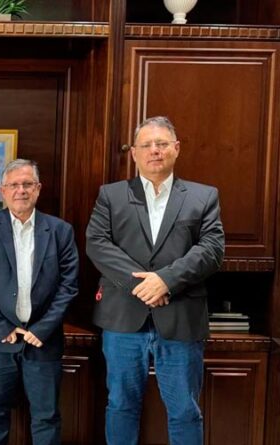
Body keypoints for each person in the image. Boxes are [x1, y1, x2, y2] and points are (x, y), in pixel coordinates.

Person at [86, 116, 224, 445]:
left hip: (181, 318)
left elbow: (211, 249)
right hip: (122, 320)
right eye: (146, 145)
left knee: (185, 410)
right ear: (134, 153)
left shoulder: (203, 196)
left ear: (176, 148)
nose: (155, 151)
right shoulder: (111, 195)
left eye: (162, 144)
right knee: (121, 406)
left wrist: (165, 281)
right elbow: (97, 244)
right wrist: (142, 286)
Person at [0, 159, 79, 445]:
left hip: (43, 341)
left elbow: (68, 285)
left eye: (27, 184)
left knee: (46, 416)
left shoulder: (60, 231)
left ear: (38, 189)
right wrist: (1, 326)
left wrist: (43, 329)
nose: (21, 190)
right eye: (14, 185)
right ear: (3, 191)